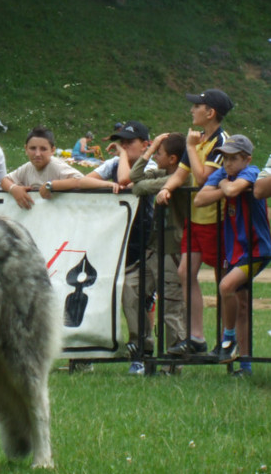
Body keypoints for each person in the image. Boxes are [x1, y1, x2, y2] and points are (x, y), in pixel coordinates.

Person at [156, 89, 233, 358]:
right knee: (185, 273)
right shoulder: (199, 140)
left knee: (223, 280)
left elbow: (203, 179)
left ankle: (228, 338)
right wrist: (167, 188)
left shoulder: (222, 142)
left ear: (210, 113)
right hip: (196, 220)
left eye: (196, 106)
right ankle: (196, 337)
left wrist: (189, 146)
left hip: (216, 220)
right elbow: (182, 174)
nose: (192, 110)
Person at [79, 120, 156, 374]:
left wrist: (122, 157)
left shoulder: (151, 166)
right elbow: (84, 181)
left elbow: (127, 181)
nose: (123, 146)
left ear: (146, 145)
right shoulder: (112, 164)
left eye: (129, 142)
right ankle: (90, 351)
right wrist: (106, 184)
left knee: (134, 298)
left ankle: (141, 353)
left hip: (143, 244)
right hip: (112, 243)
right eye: (121, 142)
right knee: (98, 294)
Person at [194, 135, 271, 377]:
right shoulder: (223, 175)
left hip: (257, 249)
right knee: (243, 305)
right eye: (225, 158)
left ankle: (228, 339)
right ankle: (245, 366)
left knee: (225, 286)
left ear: (247, 159)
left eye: (234, 158)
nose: (227, 163)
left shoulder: (252, 172)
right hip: (235, 250)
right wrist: (224, 189)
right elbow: (199, 199)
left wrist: (226, 187)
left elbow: (236, 187)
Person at [131, 132, 188, 374]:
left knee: (171, 305)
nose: (155, 156)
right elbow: (134, 177)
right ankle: (143, 351)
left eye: (159, 153)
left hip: (172, 249)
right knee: (136, 293)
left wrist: (148, 152)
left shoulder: (179, 177)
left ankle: (173, 360)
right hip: (155, 246)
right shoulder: (163, 172)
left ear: (173, 158)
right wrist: (151, 147)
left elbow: (139, 187)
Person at [0, 126, 83, 209]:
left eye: (43, 149)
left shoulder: (56, 166)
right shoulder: (28, 167)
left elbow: (81, 180)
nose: (37, 154)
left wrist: (52, 185)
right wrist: (14, 189)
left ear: (52, 150)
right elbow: (5, 180)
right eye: (33, 148)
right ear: (26, 149)